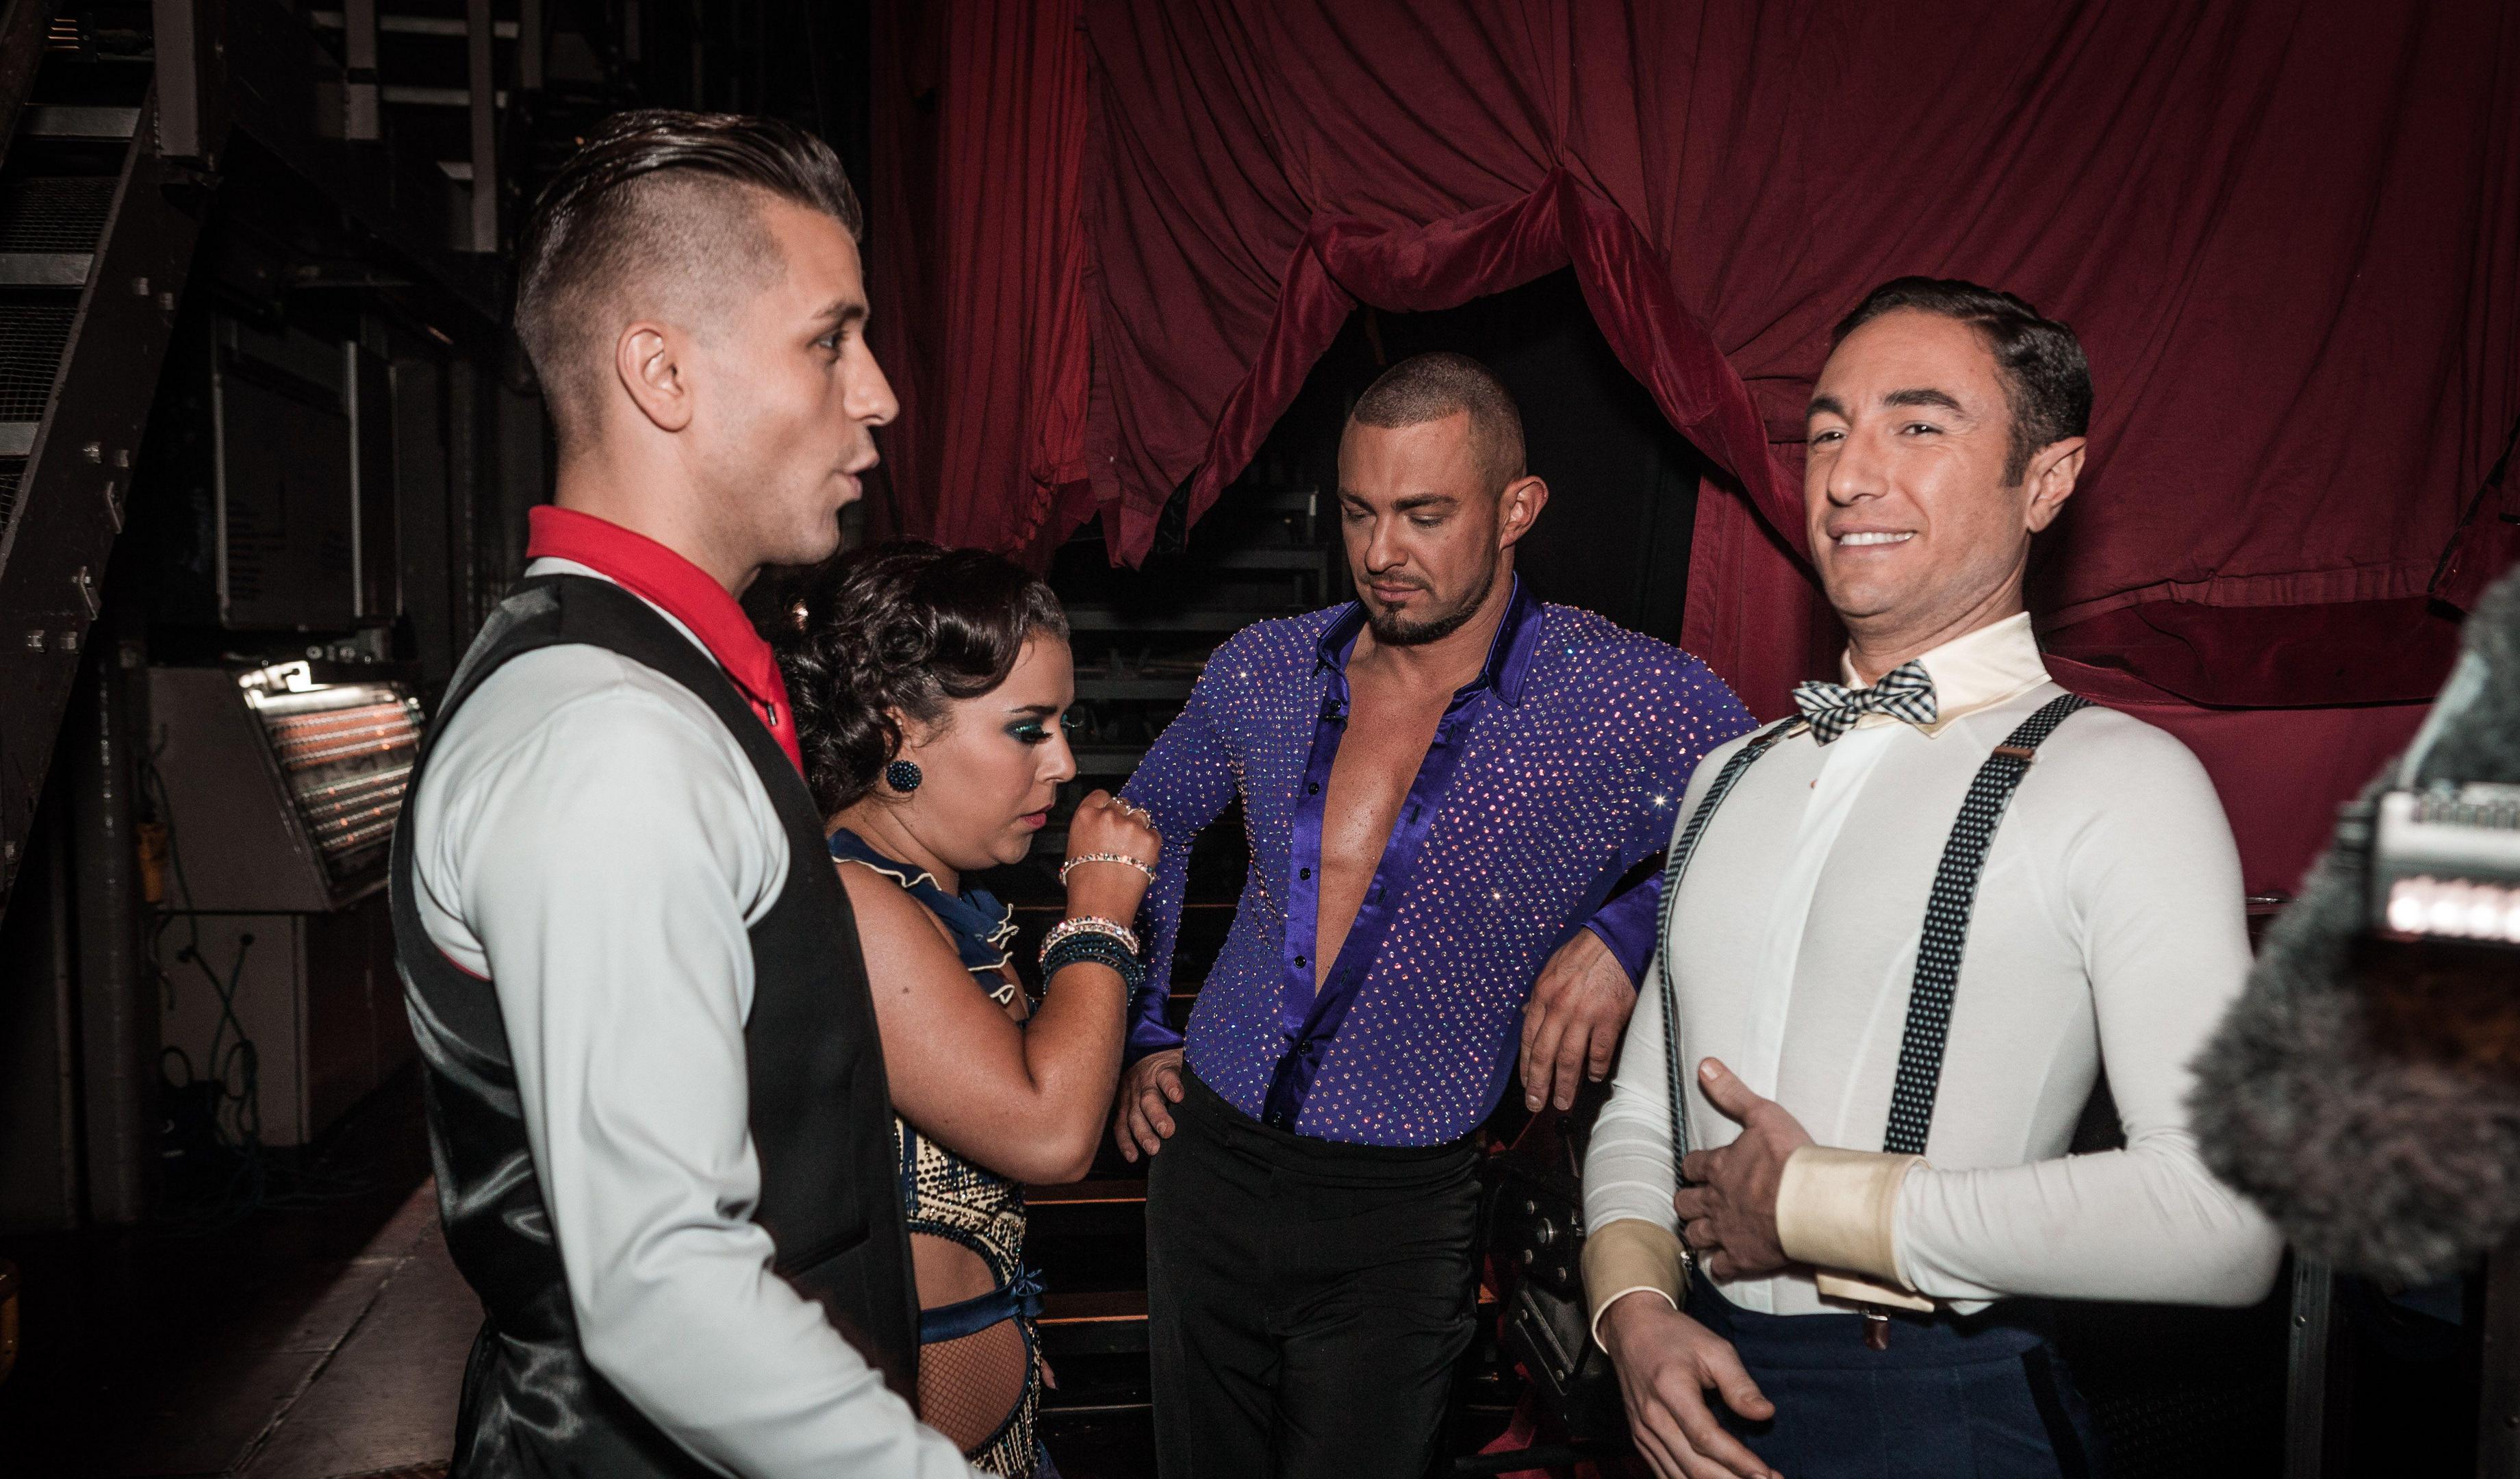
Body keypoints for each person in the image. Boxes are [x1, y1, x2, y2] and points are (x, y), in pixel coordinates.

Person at [1581, 277, 2283, 1479]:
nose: (1851, 475)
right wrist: (1633, 1313)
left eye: (1919, 426)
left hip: (1937, 1409)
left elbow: (2227, 1219)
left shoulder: (2122, 780)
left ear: (2047, 482)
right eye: (1828, 431)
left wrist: (1812, 1209)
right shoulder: (1727, 774)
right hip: (1691, 1391)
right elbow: (1645, 1110)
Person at [392, 112, 974, 1476]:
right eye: (831, 339)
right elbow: (661, 1280)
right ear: (661, 371)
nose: (880, 393)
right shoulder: (610, 737)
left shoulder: (637, 683)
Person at [1110, 352, 1755, 1478]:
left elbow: (1764, 819)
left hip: (1401, 1218)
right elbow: (1143, 825)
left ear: (1517, 510)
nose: (1380, 553)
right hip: (1204, 1170)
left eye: (1423, 514)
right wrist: (1145, 1029)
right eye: (1361, 511)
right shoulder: (1267, 668)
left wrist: (1626, 933)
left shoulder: (1623, 694)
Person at [778, 542, 1162, 1476]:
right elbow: (1049, 1135)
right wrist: (1100, 916)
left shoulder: (923, 894)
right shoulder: (859, 902)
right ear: (902, 730)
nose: (1064, 763)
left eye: (1065, 725)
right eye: (1028, 729)